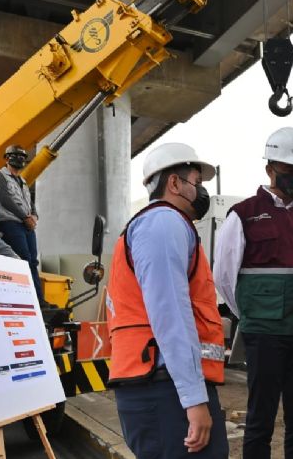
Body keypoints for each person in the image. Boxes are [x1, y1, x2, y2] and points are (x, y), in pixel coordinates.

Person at [105, 142, 227, 459]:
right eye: (197, 183)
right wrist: (194, 400)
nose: (202, 192)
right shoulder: (163, 223)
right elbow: (170, 315)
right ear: (174, 183)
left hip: (159, 385)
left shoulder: (163, 225)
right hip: (163, 390)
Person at [213, 127, 293, 459]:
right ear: (270, 169)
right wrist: (252, 315)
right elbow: (224, 277)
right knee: (261, 418)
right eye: (290, 171)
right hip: (265, 333)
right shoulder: (244, 215)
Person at [0, 145, 44, 303]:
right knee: (22, 259)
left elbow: (29, 202)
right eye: (15, 156)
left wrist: (34, 216)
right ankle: (25, 299)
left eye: (22, 157)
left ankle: (38, 299)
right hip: (9, 223)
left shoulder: (23, 181)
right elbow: (5, 199)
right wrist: (25, 217)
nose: (19, 160)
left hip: (26, 225)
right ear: (6, 158)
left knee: (33, 261)